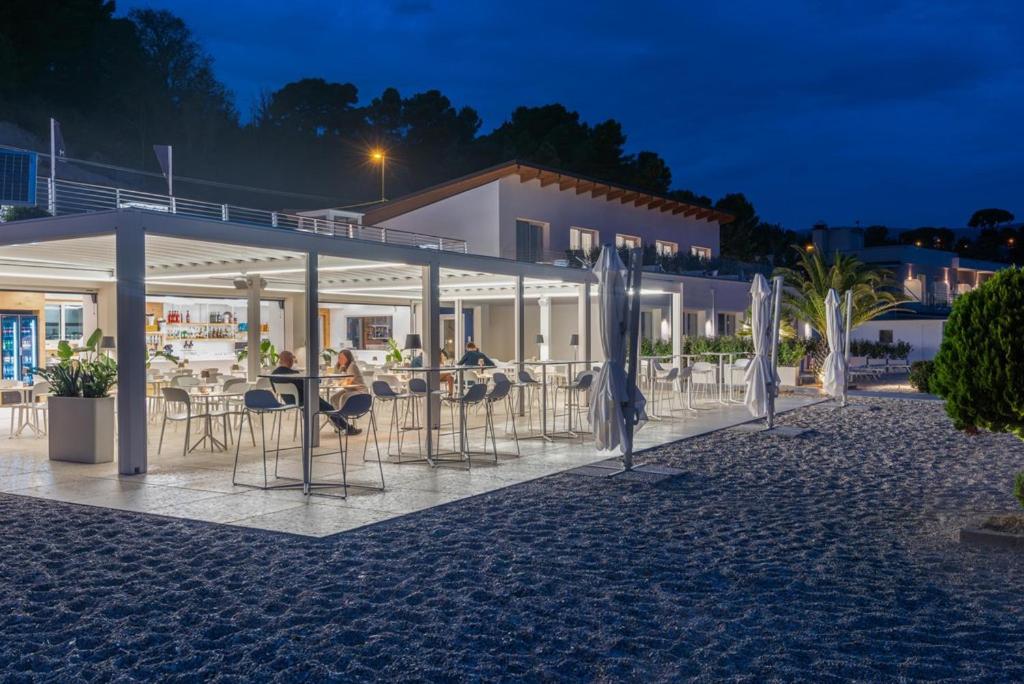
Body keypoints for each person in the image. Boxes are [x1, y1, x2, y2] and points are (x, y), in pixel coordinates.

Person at [271, 350, 360, 435]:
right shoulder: (294, 373)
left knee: (316, 405)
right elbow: (307, 387)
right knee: (329, 408)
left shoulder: (273, 374)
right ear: (290, 361)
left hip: (288, 402)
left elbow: (276, 390)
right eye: (292, 360)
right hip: (304, 400)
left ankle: (336, 427)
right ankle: (347, 428)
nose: (293, 362)